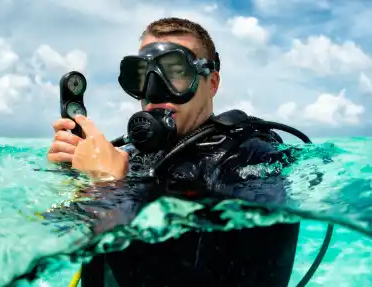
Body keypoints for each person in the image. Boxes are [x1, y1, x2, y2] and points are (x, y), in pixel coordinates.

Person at [46, 17, 308, 287]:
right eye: (142, 75)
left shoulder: (251, 159)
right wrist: (71, 178)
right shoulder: (132, 155)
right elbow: (57, 232)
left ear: (212, 82)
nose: (154, 92)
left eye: (176, 72)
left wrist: (109, 188)